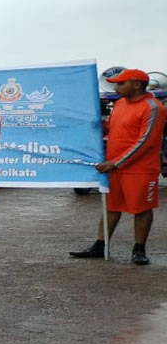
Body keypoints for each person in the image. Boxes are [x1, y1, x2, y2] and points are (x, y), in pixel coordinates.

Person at [69, 68, 165, 265]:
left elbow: (145, 141)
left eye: (121, 83)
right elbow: (112, 130)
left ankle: (139, 249)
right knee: (112, 207)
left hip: (140, 169)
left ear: (137, 84)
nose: (116, 87)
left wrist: (116, 162)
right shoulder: (120, 104)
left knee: (141, 208)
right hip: (114, 168)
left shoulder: (152, 107)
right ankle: (100, 245)